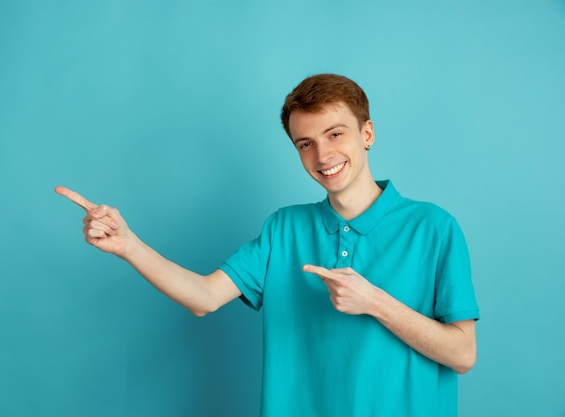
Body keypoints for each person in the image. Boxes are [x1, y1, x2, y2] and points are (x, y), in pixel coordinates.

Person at [56, 74, 479, 417]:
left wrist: (375, 301)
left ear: (367, 133)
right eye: (305, 143)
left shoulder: (434, 227)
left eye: (335, 134)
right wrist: (129, 245)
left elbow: (462, 354)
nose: (322, 154)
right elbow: (203, 297)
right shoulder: (285, 229)